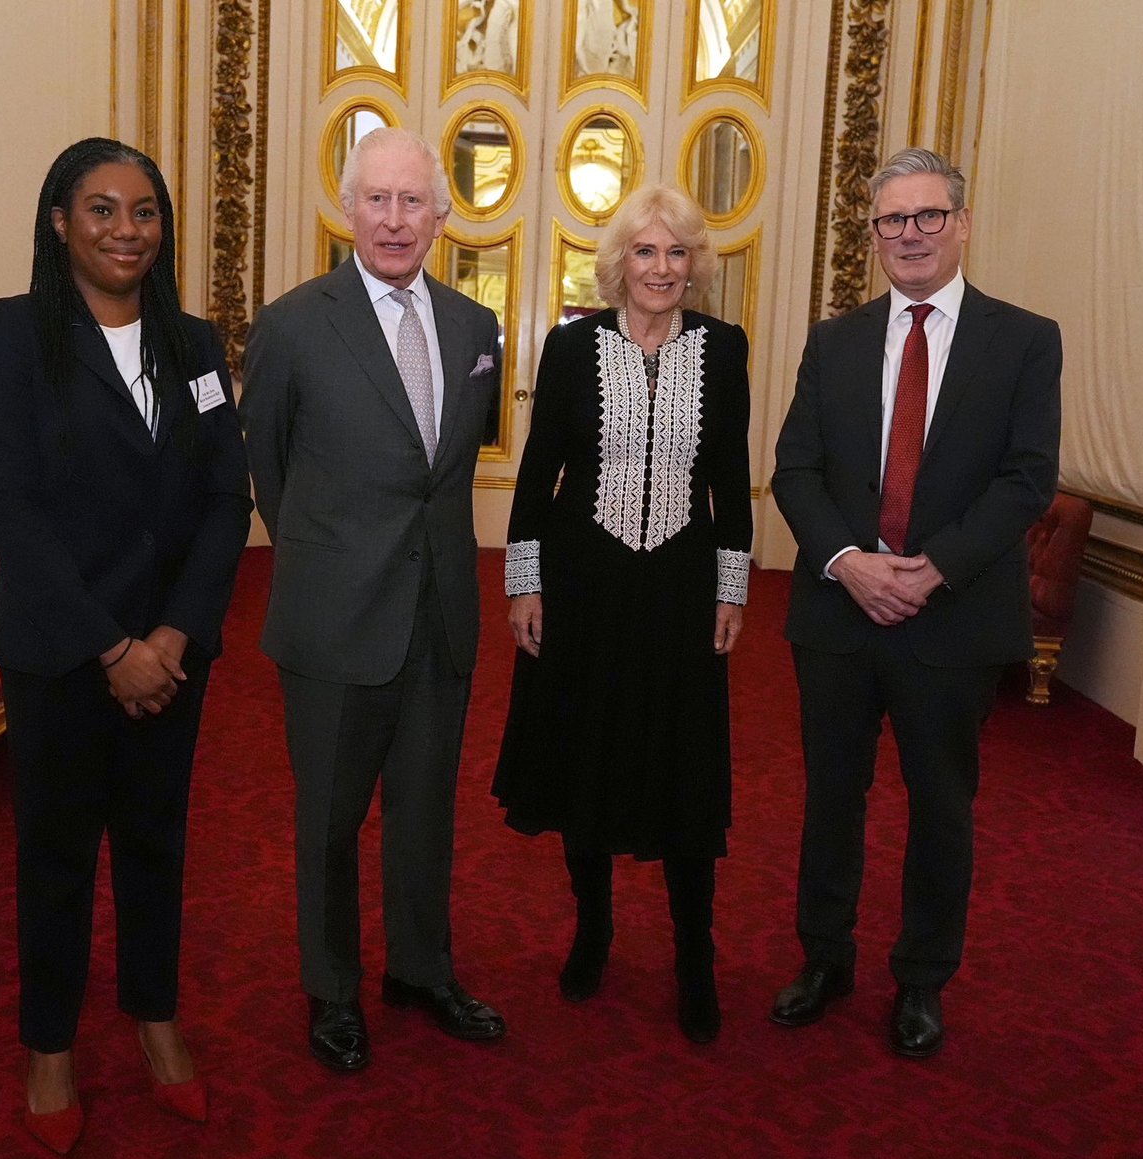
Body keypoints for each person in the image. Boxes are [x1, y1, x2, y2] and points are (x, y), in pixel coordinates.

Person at [0, 137, 251, 1152]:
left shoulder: (197, 345)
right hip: (60, 649)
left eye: (143, 212)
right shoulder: (14, 335)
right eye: (101, 209)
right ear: (59, 222)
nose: (126, 230)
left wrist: (171, 635)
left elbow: (227, 498)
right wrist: (110, 646)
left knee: (155, 843)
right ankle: (50, 1045)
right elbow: (10, 506)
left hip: (172, 653)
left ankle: (156, 1023)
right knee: (54, 853)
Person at [768, 147, 1061, 1057]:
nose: (911, 235)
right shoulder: (835, 341)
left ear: (962, 224)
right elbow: (795, 471)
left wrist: (933, 569)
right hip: (840, 616)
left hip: (955, 617)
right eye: (892, 221)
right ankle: (825, 959)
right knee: (831, 798)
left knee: (942, 805)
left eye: (928, 216)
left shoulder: (1024, 339)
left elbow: (1026, 480)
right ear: (875, 236)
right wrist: (850, 561)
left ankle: (923, 979)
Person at [241, 126, 506, 1073]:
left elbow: (448, 471)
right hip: (334, 616)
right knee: (330, 816)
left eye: (413, 202)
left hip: (439, 615)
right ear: (347, 208)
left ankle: (422, 971)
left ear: (442, 216)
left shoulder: (478, 330)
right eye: (378, 200)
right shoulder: (292, 324)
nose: (395, 220)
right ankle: (333, 990)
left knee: (427, 807)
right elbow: (266, 465)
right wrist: (330, 555)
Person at [492, 184, 753, 1043]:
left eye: (677, 253)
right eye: (645, 252)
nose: (662, 268)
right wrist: (524, 584)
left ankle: (694, 956)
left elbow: (731, 479)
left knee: (682, 768)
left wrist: (732, 587)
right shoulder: (571, 349)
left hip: (679, 590)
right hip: (583, 586)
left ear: (695, 267)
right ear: (618, 265)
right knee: (587, 760)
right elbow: (536, 480)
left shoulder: (725, 348)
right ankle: (593, 930)